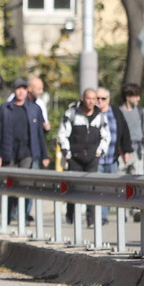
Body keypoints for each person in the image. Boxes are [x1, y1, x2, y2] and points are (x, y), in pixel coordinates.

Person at [0, 78, 49, 222]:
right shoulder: (5, 109)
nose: (21, 92)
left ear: (27, 91)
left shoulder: (34, 109)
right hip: (9, 152)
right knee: (10, 186)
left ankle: (23, 215)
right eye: (18, 89)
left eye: (24, 89)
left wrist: (44, 155)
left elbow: (39, 134)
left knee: (24, 185)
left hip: (27, 153)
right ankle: (7, 216)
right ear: (14, 90)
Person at [57, 88, 110, 228]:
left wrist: (99, 152)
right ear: (82, 98)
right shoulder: (72, 114)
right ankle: (71, 216)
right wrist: (67, 153)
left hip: (92, 158)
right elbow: (63, 134)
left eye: (94, 98)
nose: (92, 101)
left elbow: (105, 136)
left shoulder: (100, 116)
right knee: (73, 187)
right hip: (75, 158)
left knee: (91, 188)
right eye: (89, 98)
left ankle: (91, 219)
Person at [117, 83, 144, 220]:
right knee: (122, 183)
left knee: (137, 183)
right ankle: (124, 212)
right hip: (122, 153)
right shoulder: (118, 112)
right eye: (136, 95)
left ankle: (136, 210)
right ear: (128, 97)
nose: (138, 98)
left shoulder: (141, 112)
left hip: (138, 152)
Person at [95, 86, 133, 224]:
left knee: (117, 189)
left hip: (113, 158)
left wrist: (126, 151)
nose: (99, 101)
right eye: (97, 98)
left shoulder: (116, 112)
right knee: (101, 189)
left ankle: (121, 213)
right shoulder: (92, 113)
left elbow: (124, 132)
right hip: (97, 160)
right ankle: (103, 217)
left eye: (103, 99)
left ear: (108, 99)